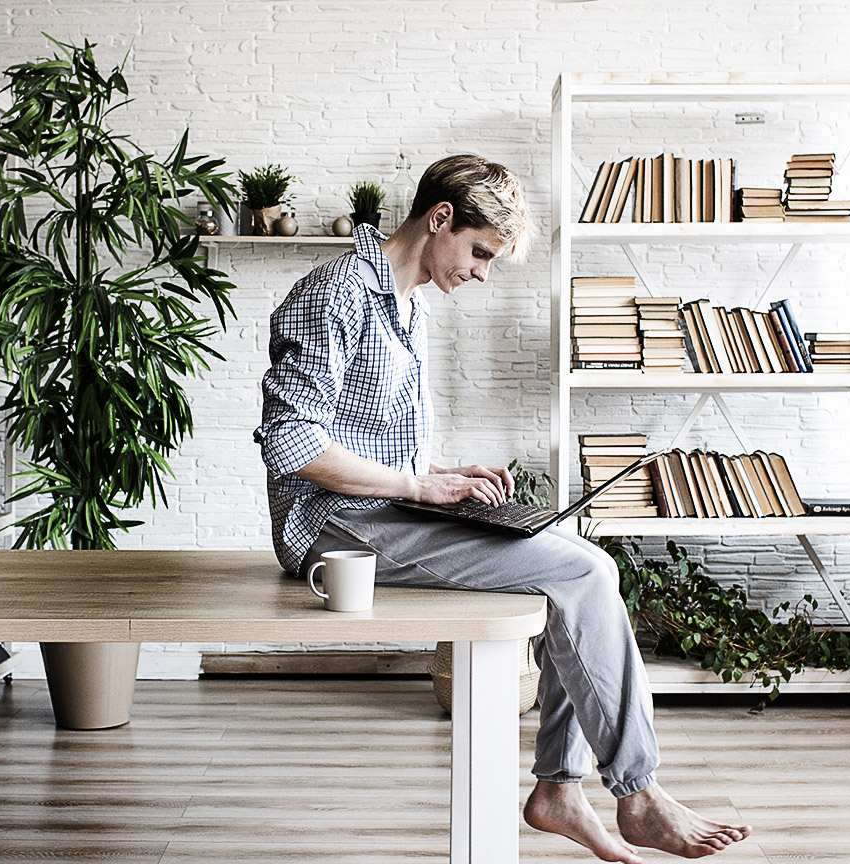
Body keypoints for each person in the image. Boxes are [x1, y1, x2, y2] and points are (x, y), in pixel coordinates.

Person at [253, 153, 751, 860]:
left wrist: (440, 472)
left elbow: (358, 436)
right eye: (481, 252)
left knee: (586, 564)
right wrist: (421, 489)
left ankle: (561, 790)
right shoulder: (334, 292)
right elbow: (292, 445)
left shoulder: (406, 301)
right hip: (330, 528)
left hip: (380, 510)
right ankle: (633, 796)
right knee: (579, 575)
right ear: (441, 219)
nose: (482, 272)